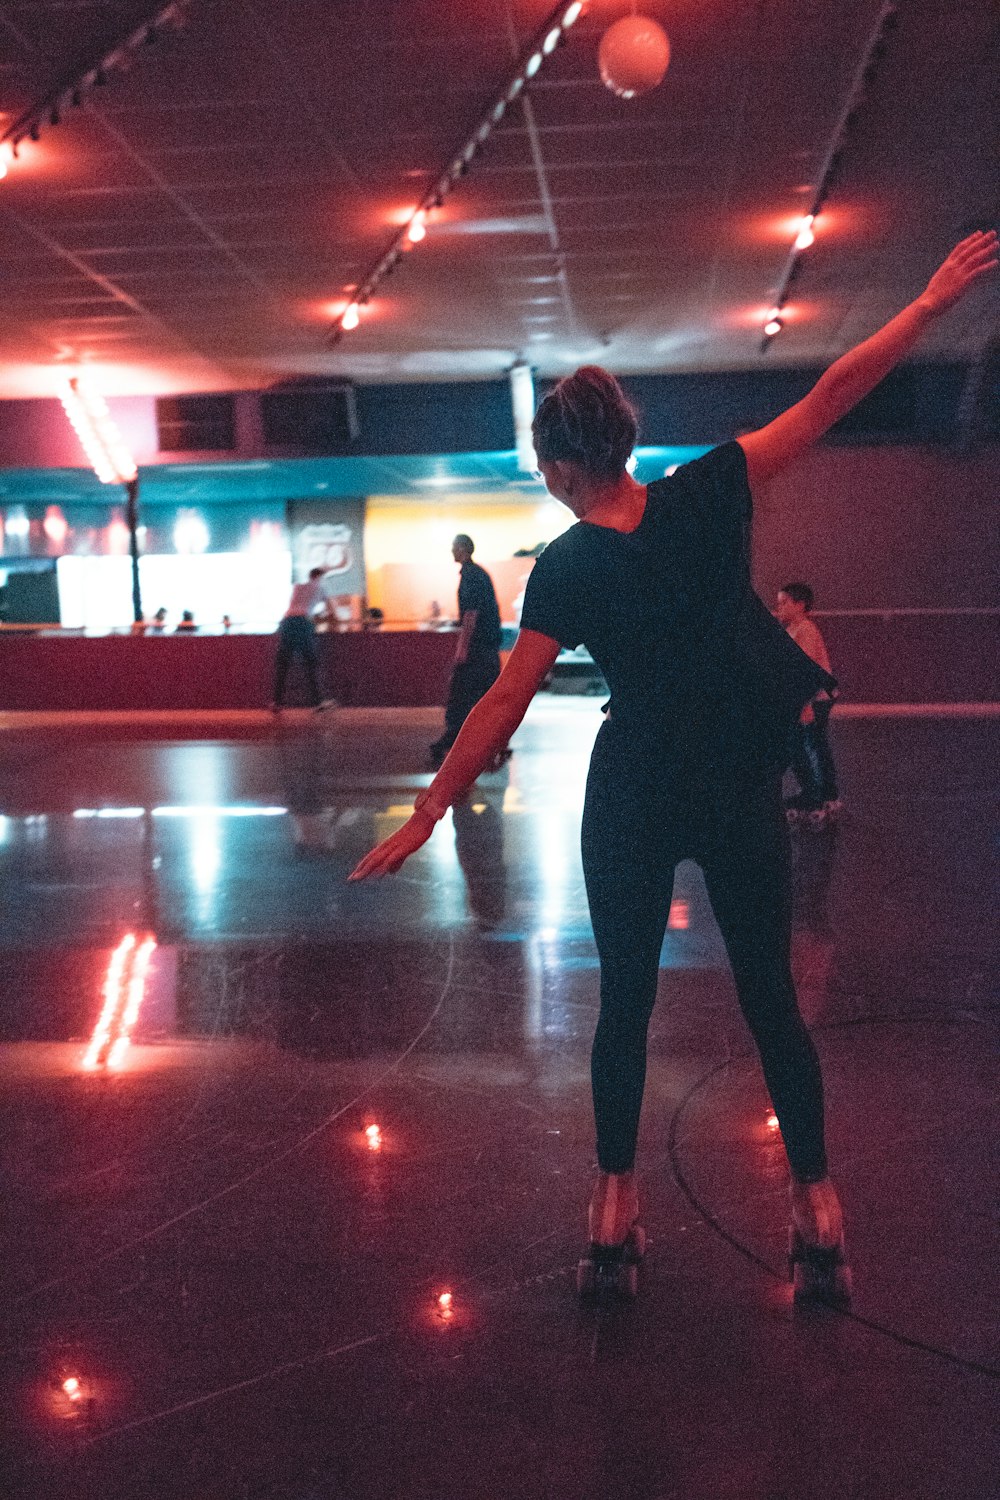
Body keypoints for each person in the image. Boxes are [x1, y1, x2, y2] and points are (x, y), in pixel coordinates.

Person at [350, 231, 997, 1306]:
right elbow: (834, 393)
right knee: (772, 1010)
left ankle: (612, 1209)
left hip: (635, 791)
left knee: (624, 1008)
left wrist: (429, 809)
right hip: (736, 783)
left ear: (561, 466)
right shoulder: (709, 492)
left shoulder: (563, 565)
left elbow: (505, 701)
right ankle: (818, 1207)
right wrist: (925, 305)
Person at [428, 535, 508, 770]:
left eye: (454, 547)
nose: (451, 551)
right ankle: (495, 743)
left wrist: (461, 650)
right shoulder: (478, 574)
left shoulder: (470, 577)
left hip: (478, 647)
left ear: (462, 549)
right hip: (487, 645)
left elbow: (471, 615)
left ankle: (452, 743)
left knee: (463, 695)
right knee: (483, 696)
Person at [775, 582, 841, 828]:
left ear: (801, 605)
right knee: (811, 745)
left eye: (784, 602)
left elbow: (806, 671)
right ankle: (820, 793)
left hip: (816, 698)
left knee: (811, 746)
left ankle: (818, 795)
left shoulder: (806, 630)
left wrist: (805, 704)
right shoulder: (792, 630)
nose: (779, 607)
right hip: (807, 698)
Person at [271, 567, 337, 712]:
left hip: (287, 622)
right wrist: (319, 618)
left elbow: (296, 605)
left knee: (283, 664)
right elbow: (332, 612)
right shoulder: (321, 586)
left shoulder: (298, 587)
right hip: (303, 623)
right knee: (310, 663)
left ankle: (276, 702)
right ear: (320, 577)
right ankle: (318, 702)